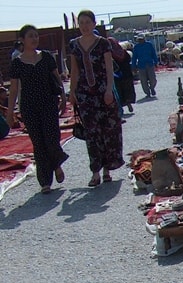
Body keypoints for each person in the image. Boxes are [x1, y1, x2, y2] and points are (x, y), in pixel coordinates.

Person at [5, 24, 69, 194]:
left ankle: (56, 164)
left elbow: (57, 78)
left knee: (51, 139)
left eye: (36, 35)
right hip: (29, 107)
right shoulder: (17, 63)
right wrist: (10, 113)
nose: (34, 39)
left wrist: (63, 98)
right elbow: (13, 90)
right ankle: (45, 181)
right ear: (22, 40)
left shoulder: (46, 57)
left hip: (48, 104)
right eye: (30, 36)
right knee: (38, 143)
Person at [68, 10, 124, 187]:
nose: (84, 26)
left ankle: (108, 169)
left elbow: (109, 69)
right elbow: (75, 71)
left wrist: (109, 90)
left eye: (87, 22)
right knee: (92, 133)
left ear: (94, 24)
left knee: (109, 130)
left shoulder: (102, 44)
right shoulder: (74, 45)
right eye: (81, 22)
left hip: (103, 91)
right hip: (85, 93)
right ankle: (95, 172)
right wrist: (72, 92)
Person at [109, 37, 135, 113]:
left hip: (116, 76)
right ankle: (128, 103)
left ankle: (120, 108)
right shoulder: (123, 52)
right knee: (127, 90)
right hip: (126, 74)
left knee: (119, 92)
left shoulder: (109, 54)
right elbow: (129, 60)